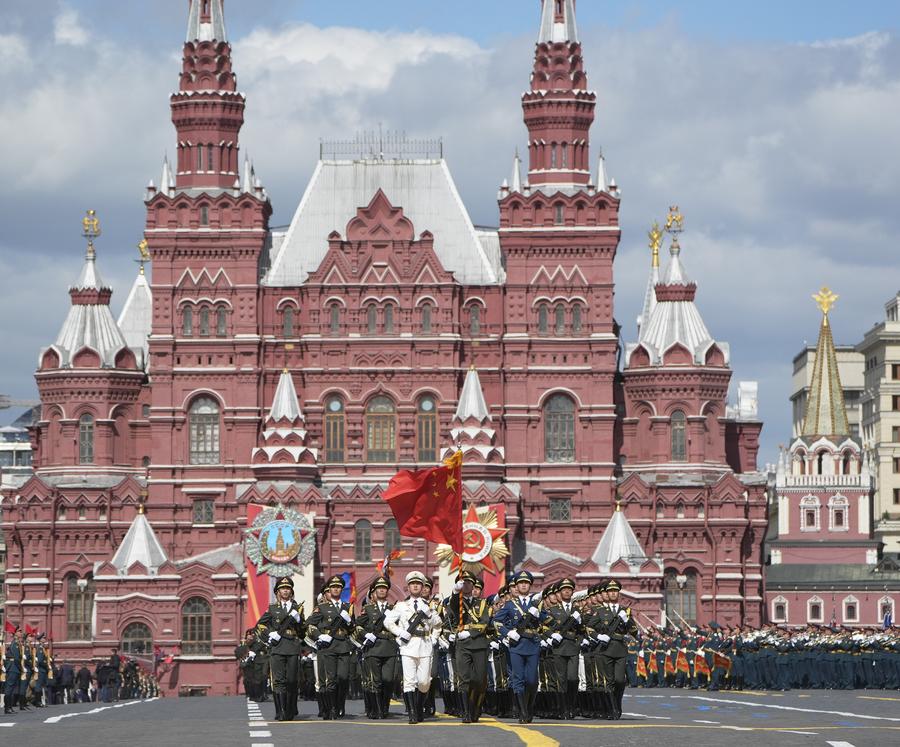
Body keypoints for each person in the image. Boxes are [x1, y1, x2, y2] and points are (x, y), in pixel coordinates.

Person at [384, 571, 442, 724]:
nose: (415, 586)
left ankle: (418, 707)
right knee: (409, 681)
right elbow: (388, 622)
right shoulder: (401, 606)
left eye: (418, 584)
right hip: (408, 646)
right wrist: (400, 633)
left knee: (424, 682)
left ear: (422, 587)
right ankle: (412, 713)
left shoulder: (429, 606)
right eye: (412, 584)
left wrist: (434, 637)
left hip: (425, 645)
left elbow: (438, 624)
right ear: (408, 587)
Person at [494, 570, 545, 723]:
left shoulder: (536, 603)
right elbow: (496, 621)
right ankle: (523, 712)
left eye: (526, 583)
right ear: (516, 586)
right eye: (521, 583)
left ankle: (529, 707)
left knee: (532, 680)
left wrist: (539, 615)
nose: (523, 585)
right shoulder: (510, 605)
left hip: (532, 644)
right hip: (516, 646)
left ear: (530, 585)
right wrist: (508, 633)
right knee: (518, 679)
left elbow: (548, 620)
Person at [253, 576, 305, 721]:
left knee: (292, 680)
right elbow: (259, 625)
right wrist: (270, 634)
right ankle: (281, 711)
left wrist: (299, 621)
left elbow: (303, 632)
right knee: (279, 680)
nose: (285, 591)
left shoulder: (297, 608)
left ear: (291, 591)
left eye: (288, 588)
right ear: (277, 592)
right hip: (277, 647)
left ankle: (290, 708)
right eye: (282, 589)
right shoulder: (272, 608)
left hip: (292, 647)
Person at [445, 570, 492, 723]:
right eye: (463, 583)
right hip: (463, 646)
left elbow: (484, 622)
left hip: (479, 644)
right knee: (464, 679)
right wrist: (455, 591)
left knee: (479, 680)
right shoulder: (456, 602)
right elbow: (453, 607)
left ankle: (475, 708)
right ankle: (465, 712)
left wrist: (470, 632)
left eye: (469, 583)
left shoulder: (482, 603)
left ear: (473, 586)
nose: (466, 585)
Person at [307, 575, 356, 720]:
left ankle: (340, 705)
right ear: (329, 589)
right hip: (328, 646)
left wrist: (349, 621)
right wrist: (319, 636)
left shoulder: (348, 607)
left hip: (343, 645)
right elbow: (309, 625)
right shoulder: (322, 607)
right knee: (331, 679)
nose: (335, 589)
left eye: (338, 587)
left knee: (343, 677)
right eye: (333, 587)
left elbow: (353, 629)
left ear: (342, 589)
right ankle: (332, 708)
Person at [356, 576, 398, 720]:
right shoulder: (367, 609)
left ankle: (385, 707)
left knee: (388, 679)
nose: (382, 590)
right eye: (379, 588)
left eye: (384, 588)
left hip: (390, 646)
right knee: (375, 680)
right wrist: (366, 634)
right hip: (373, 647)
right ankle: (377, 710)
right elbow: (358, 626)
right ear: (374, 591)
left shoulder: (393, 609)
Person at [596, 579, 639, 719]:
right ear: (607, 594)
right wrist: (599, 636)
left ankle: (617, 703)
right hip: (606, 648)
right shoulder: (600, 611)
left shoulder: (625, 611)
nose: (613, 593)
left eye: (615, 591)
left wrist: (627, 620)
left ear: (619, 594)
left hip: (620, 648)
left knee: (620, 680)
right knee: (608, 681)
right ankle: (611, 708)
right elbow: (589, 628)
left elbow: (634, 632)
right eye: (610, 591)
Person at [545, 577, 583, 719]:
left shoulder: (577, 610)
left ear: (572, 592)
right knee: (561, 679)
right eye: (564, 590)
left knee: (573, 678)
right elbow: (546, 627)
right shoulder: (553, 609)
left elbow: (582, 630)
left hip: (573, 647)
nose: (567, 592)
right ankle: (563, 709)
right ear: (560, 593)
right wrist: (552, 635)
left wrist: (578, 642)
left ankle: (571, 705)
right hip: (559, 647)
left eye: (569, 589)